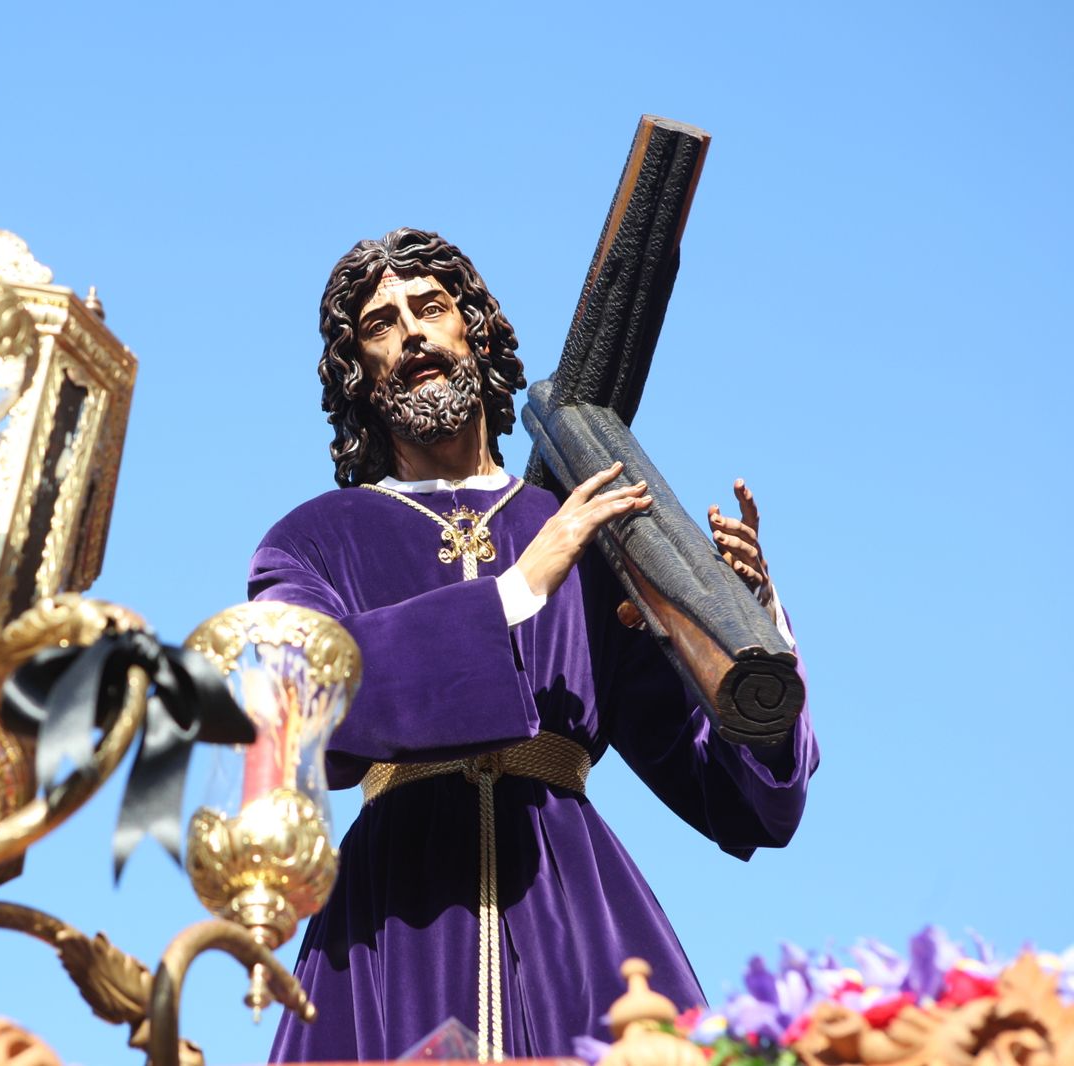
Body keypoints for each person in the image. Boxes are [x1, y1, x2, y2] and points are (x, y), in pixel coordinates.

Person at [253, 228, 818, 1063]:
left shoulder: (593, 535)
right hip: (395, 916)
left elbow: (741, 797)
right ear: (359, 377)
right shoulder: (312, 541)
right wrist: (518, 589)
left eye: (432, 308)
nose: (411, 333)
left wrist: (752, 634)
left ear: (474, 336)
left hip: (573, 914)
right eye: (380, 324)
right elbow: (296, 700)